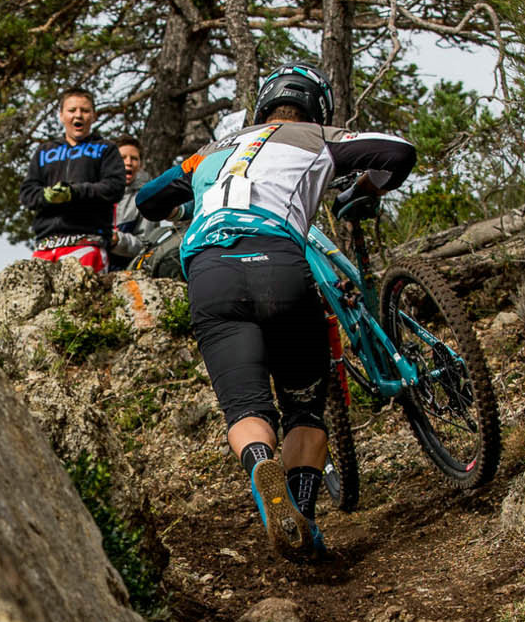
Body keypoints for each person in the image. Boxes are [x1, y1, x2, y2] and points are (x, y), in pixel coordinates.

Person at [134, 64, 416, 560]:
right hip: (278, 264)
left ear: (262, 103)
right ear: (317, 107)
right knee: (304, 407)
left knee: (245, 410)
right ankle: (303, 513)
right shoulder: (317, 136)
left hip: (210, 270)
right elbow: (398, 152)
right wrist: (362, 190)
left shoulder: (214, 151)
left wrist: (190, 192)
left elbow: (147, 199)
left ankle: (263, 462)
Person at [20, 88, 128, 273]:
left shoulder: (105, 149)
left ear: (93, 116)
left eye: (85, 111)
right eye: (72, 110)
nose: (78, 115)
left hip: (88, 242)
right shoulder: (44, 151)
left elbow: (114, 187)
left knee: (83, 301)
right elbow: (27, 193)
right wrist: (47, 196)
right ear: (61, 115)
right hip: (45, 246)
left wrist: (75, 192)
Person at [107, 136, 150, 272]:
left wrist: (118, 240)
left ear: (140, 164)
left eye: (134, 158)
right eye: (122, 157)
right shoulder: (95, 192)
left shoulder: (145, 198)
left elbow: (147, 245)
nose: (128, 162)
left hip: (126, 272)